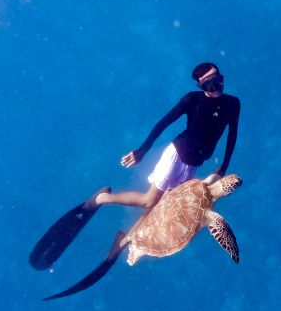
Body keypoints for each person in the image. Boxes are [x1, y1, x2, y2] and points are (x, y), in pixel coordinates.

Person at [93, 62, 240, 209]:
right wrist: (142, 150)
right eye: (209, 84)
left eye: (217, 80)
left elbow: (232, 135)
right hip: (177, 156)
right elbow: (163, 123)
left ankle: (130, 232)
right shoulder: (192, 99)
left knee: (164, 205)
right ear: (200, 86)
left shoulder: (232, 104)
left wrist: (223, 167)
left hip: (194, 165)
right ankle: (103, 198)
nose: (215, 87)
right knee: (149, 201)